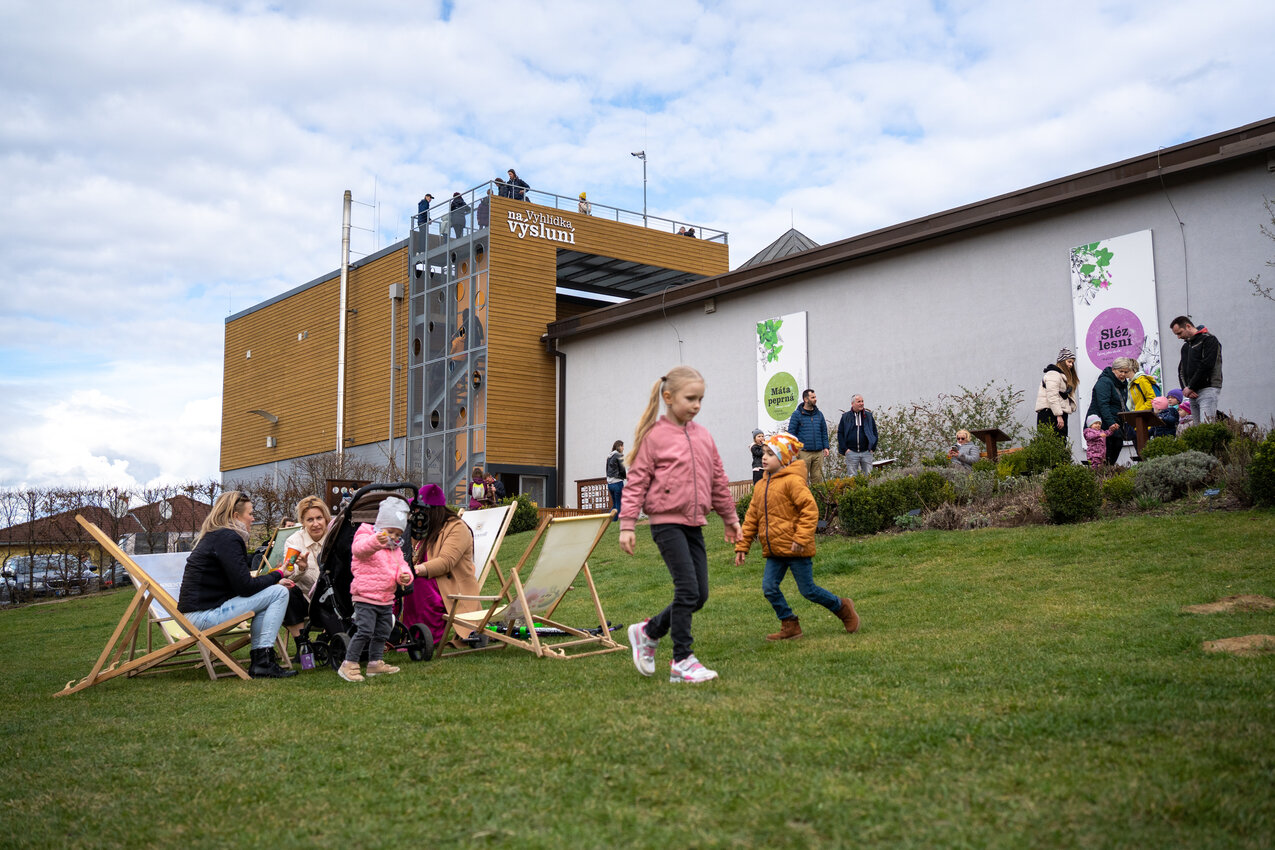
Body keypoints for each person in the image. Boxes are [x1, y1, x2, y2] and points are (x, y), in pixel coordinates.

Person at [621, 366, 741, 684]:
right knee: (687, 588)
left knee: (699, 595)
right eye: (691, 398)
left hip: (694, 523)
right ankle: (682, 660)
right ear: (668, 397)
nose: (697, 405)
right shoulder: (655, 437)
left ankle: (649, 631)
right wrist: (627, 524)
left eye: (700, 399)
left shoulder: (703, 436)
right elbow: (636, 482)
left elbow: (718, 481)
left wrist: (730, 519)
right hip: (666, 524)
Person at [734, 432, 859, 641]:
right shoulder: (761, 486)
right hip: (775, 550)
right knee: (769, 588)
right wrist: (742, 546)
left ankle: (842, 607)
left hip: (796, 547)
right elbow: (751, 518)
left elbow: (809, 510)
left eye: (771, 454)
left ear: (783, 458)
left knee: (809, 591)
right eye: (764, 453)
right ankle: (790, 624)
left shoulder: (793, 481)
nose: (764, 457)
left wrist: (801, 538)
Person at [177, 491, 296, 679]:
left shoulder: (216, 536)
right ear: (235, 516)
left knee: (272, 592)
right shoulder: (228, 538)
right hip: (202, 617)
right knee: (279, 593)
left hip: (195, 615)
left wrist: (274, 579)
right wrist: (278, 574)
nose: (253, 518)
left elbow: (238, 584)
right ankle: (263, 661)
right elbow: (245, 587)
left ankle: (261, 661)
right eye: (250, 513)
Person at [337, 497, 414, 683]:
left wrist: (405, 576)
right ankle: (349, 663)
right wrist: (375, 541)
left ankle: (375, 662)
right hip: (365, 595)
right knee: (364, 630)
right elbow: (359, 550)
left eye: (398, 533)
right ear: (381, 525)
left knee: (383, 631)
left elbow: (401, 565)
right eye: (390, 531)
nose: (394, 537)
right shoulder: (365, 534)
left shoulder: (395, 548)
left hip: (386, 597)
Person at [411, 483, 481, 644]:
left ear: (432, 510)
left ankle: (427, 638)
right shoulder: (427, 527)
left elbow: (446, 562)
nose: (417, 513)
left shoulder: (457, 528)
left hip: (451, 586)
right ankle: (400, 633)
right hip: (432, 580)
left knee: (418, 583)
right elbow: (410, 551)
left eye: (420, 509)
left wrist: (417, 570)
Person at [280, 495, 332, 659]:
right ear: (302, 522)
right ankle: (302, 644)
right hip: (306, 600)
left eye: (319, 518)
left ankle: (324, 639)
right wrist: (301, 569)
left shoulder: (334, 537)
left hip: (333, 598)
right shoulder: (293, 542)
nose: (316, 524)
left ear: (326, 518)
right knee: (286, 590)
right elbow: (288, 574)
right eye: (310, 520)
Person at [1085, 356, 1137, 466]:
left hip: (1115, 421)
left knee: (1117, 444)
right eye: (1120, 371)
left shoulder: (1122, 384)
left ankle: (1107, 470)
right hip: (1101, 422)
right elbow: (1103, 405)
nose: (1123, 374)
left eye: (1125, 372)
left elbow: (1121, 404)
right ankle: (1102, 472)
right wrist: (1111, 423)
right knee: (1104, 451)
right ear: (1113, 369)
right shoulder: (1104, 382)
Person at [1171, 316, 1223, 423]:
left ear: (1188, 326)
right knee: (1197, 427)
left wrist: (1191, 386)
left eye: (1179, 333)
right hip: (1192, 392)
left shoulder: (1208, 339)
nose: (1178, 337)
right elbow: (1181, 370)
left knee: (1206, 426)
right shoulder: (1186, 347)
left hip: (1208, 388)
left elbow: (1207, 365)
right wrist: (1186, 389)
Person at [787, 389, 830, 484]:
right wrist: (794, 450)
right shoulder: (797, 415)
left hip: (818, 453)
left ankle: (817, 495)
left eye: (815, 397)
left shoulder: (819, 414)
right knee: (802, 479)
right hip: (803, 452)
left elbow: (824, 432)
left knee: (817, 479)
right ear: (806, 399)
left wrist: (826, 447)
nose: (815, 399)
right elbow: (791, 434)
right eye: (812, 397)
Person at [1034, 347, 1079, 437]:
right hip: (1050, 414)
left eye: (1072, 363)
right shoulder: (1053, 374)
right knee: (1053, 442)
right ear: (1062, 361)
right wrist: (1058, 415)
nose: (1071, 365)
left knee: (1060, 442)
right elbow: (1052, 396)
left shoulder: (1061, 376)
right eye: (1069, 361)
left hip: (1057, 413)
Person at [837, 394, 878, 478]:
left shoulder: (868, 416)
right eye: (859, 401)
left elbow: (874, 432)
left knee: (869, 476)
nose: (861, 403)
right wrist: (845, 449)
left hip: (866, 452)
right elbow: (840, 433)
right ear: (852, 404)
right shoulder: (845, 417)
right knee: (852, 478)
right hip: (851, 452)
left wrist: (872, 448)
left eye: (862, 401)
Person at [605, 440, 626, 519]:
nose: (623, 448)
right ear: (619, 446)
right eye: (622, 446)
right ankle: (616, 519)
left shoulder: (609, 457)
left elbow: (607, 469)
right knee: (618, 503)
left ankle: (607, 519)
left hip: (610, 484)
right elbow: (622, 469)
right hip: (617, 482)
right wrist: (624, 477)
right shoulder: (619, 455)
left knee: (614, 504)